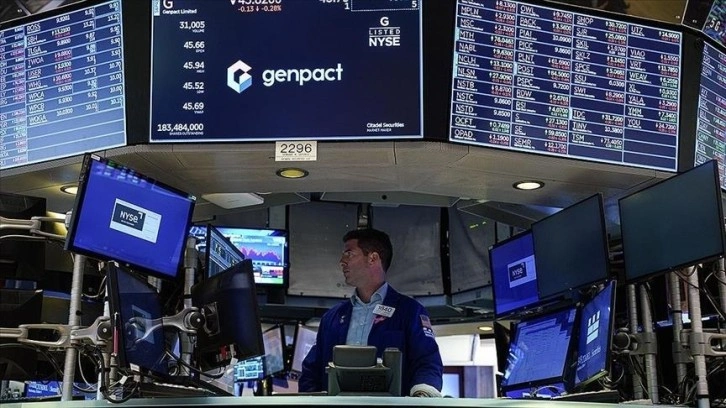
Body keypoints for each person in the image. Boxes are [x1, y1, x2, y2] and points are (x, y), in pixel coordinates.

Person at [299, 228, 443, 397]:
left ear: (373, 258)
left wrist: (422, 395)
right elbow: (311, 372)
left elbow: (427, 362)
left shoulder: (409, 311)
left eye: (349, 254)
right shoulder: (332, 318)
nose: (342, 261)